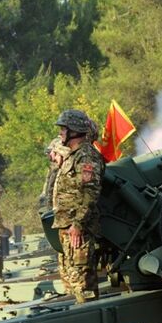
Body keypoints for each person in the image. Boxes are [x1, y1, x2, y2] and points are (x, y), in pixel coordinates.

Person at [52, 109, 104, 303]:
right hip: (68, 226)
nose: (60, 133)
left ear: (74, 131)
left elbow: (91, 193)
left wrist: (78, 224)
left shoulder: (86, 156)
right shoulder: (74, 156)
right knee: (72, 280)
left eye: (63, 129)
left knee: (83, 282)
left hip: (78, 230)